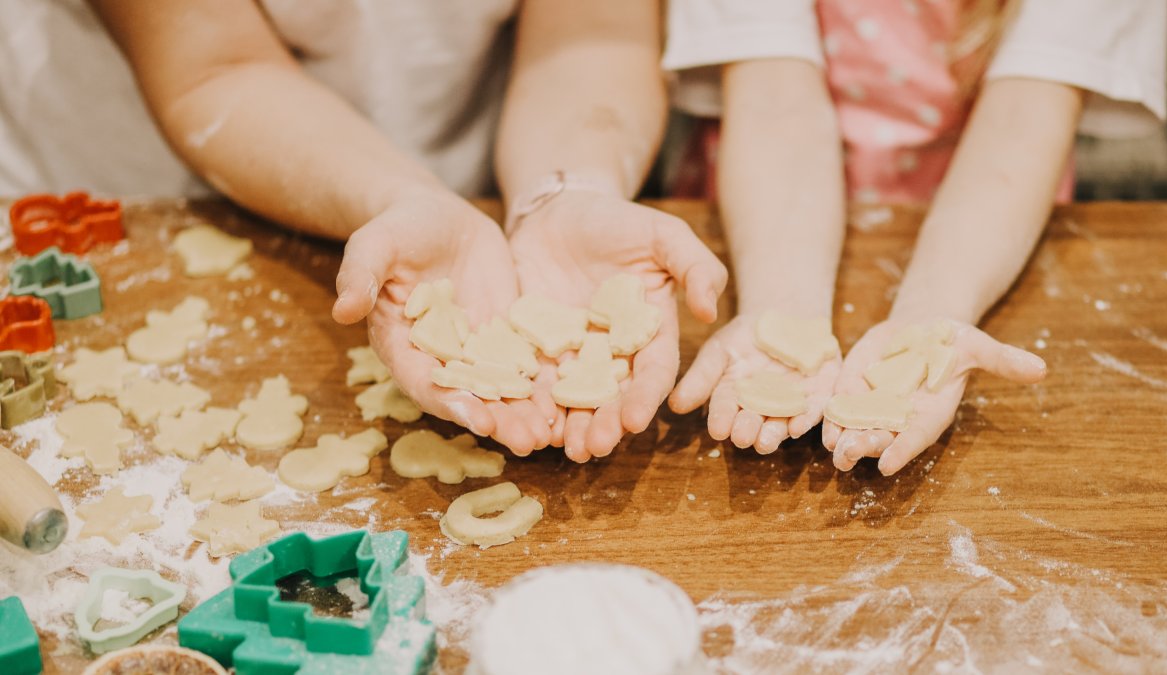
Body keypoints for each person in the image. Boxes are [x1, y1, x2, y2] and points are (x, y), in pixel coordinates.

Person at [3, 0, 726, 461]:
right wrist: (400, 198)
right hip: (137, 206)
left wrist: (564, 194)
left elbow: (589, 36)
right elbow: (215, 68)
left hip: (463, 194)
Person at [663, 0, 1167, 473]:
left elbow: (1023, 118)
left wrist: (932, 314)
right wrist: (781, 302)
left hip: (988, 216)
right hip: (771, 207)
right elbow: (772, 98)